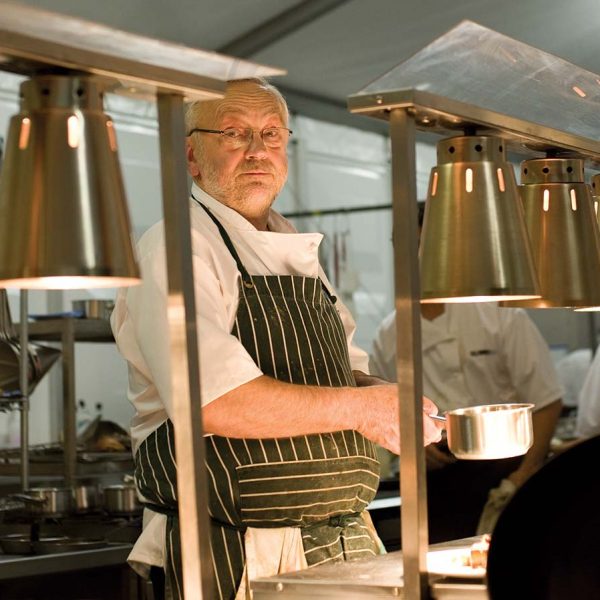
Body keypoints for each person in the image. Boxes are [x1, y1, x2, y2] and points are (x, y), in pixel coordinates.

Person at [111, 78, 442, 600]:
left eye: (271, 134)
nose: (258, 151)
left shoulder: (292, 244)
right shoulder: (175, 249)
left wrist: (387, 400)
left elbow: (341, 376)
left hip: (341, 538)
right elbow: (214, 402)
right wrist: (361, 409)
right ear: (191, 156)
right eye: (234, 134)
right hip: (238, 554)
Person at [370, 207, 563, 544]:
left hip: (505, 469)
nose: (414, 259)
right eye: (404, 249)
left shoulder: (499, 315)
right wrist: (411, 447)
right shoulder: (390, 333)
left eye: (422, 246)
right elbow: (382, 411)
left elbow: (546, 400)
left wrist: (523, 476)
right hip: (434, 481)